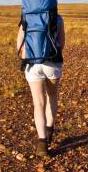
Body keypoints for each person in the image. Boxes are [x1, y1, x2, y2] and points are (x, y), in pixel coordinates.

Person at [16, 13, 65, 157]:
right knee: (52, 96)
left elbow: (19, 44)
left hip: (32, 63)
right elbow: (61, 43)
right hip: (52, 62)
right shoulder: (58, 18)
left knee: (38, 103)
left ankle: (42, 143)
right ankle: (49, 129)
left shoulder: (26, 16)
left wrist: (29, 58)